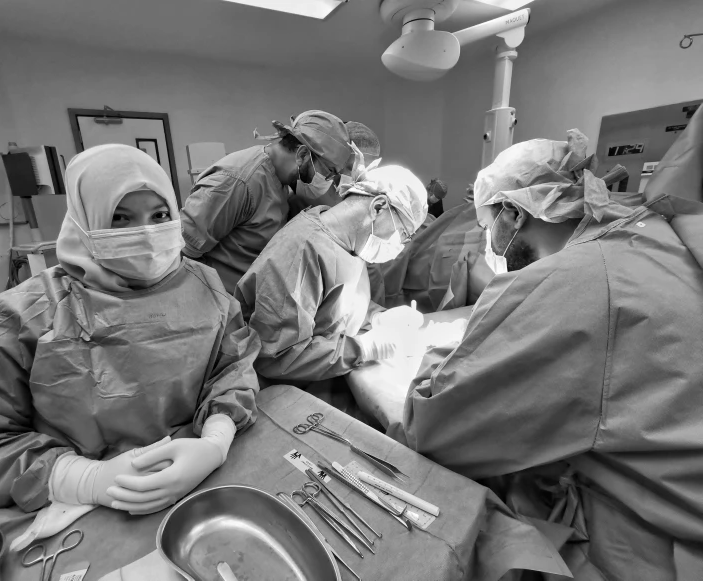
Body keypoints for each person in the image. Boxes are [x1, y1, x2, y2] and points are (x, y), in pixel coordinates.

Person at [401, 129, 703, 580]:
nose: (489, 243)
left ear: (512, 213)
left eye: (488, 227)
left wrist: (463, 344)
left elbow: (433, 424)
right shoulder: (644, 234)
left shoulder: (577, 282)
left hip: (654, 547)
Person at [0, 145, 260, 530]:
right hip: (78, 509)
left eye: (159, 215)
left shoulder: (204, 286)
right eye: (120, 218)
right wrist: (83, 479)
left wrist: (215, 441)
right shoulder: (28, 313)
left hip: (197, 481)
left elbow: (232, 369)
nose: (146, 234)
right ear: (85, 220)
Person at [235, 161, 427, 384]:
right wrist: (363, 348)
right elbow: (276, 357)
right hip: (286, 390)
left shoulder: (350, 243)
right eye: (403, 232)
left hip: (328, 376)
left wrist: (377, 316)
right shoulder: (302, 251)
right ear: (378, 207)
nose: (401, 244)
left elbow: (333, 309)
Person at [181, 110, 353, 293]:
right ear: (302, 155)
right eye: (329, 172)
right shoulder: (238, 182)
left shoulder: (282, 181)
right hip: (222, 307)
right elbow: (182, 255)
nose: (328, 180)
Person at [287, 120, 382, 220]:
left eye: (365, 169)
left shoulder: (362, 198)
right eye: (351, 167)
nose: (357, 175)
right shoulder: (310, 185)